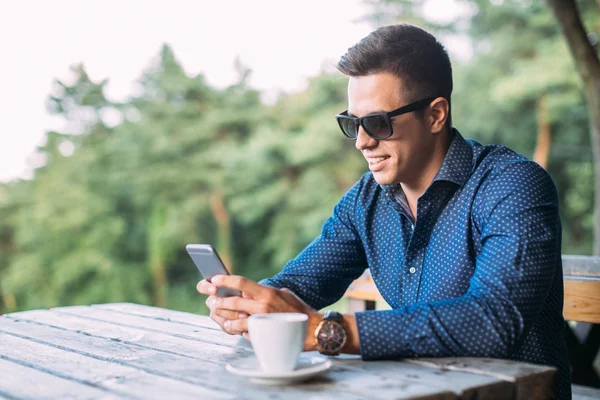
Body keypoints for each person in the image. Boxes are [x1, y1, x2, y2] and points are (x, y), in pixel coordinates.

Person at [197, 24, 570, 399]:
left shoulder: (513, 184)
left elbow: (493, 319)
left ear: (436, 115)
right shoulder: (366, 200)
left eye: (377, 123)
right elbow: (298, 286)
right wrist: (251, 306)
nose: (362, 141)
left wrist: (328, 332)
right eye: (352, 123)